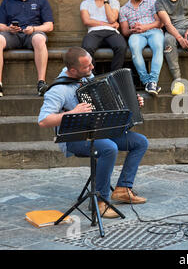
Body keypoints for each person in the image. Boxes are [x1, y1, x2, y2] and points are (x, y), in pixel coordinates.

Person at [38, 47, 149, 219]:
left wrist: (133, 101)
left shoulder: (86, 77)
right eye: (86, 66)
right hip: (75, 138)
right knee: (109, 148)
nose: (91, 69)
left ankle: (123, 189)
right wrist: (71, 113)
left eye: (91, 63)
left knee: (140, 142)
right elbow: (43, 120)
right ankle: (100, 201)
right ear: (73, 70)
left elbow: (112, 98)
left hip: (99, 130)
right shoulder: (58, 90)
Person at [0, 0, 54, 97]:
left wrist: (34, 29)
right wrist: (9, 29)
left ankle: (41, 83)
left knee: (40, 39)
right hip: (13, 35)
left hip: (32, 34)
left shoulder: (41, 1)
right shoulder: (7, 2)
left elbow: (49, 26)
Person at [119, 0, 164, 96]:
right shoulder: (123, 9)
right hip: (136, 34)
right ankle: (147, 82)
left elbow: (160, 22)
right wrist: (133, 29)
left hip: (154, 31)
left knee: (159, 46)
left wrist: (145, 27)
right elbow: (124, 31)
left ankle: (153, 81)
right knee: (134, 47)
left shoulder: (153, 3)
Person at [80, 0, 127, 72]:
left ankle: (114, 76)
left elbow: (112, 19)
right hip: (94, 32)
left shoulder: (114, 2)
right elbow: (86, 21)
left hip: (111, 32)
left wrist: (106, 1)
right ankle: (91, 78)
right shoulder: (85, 3)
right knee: (87, 47)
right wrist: (107, 24)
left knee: (121, 47)